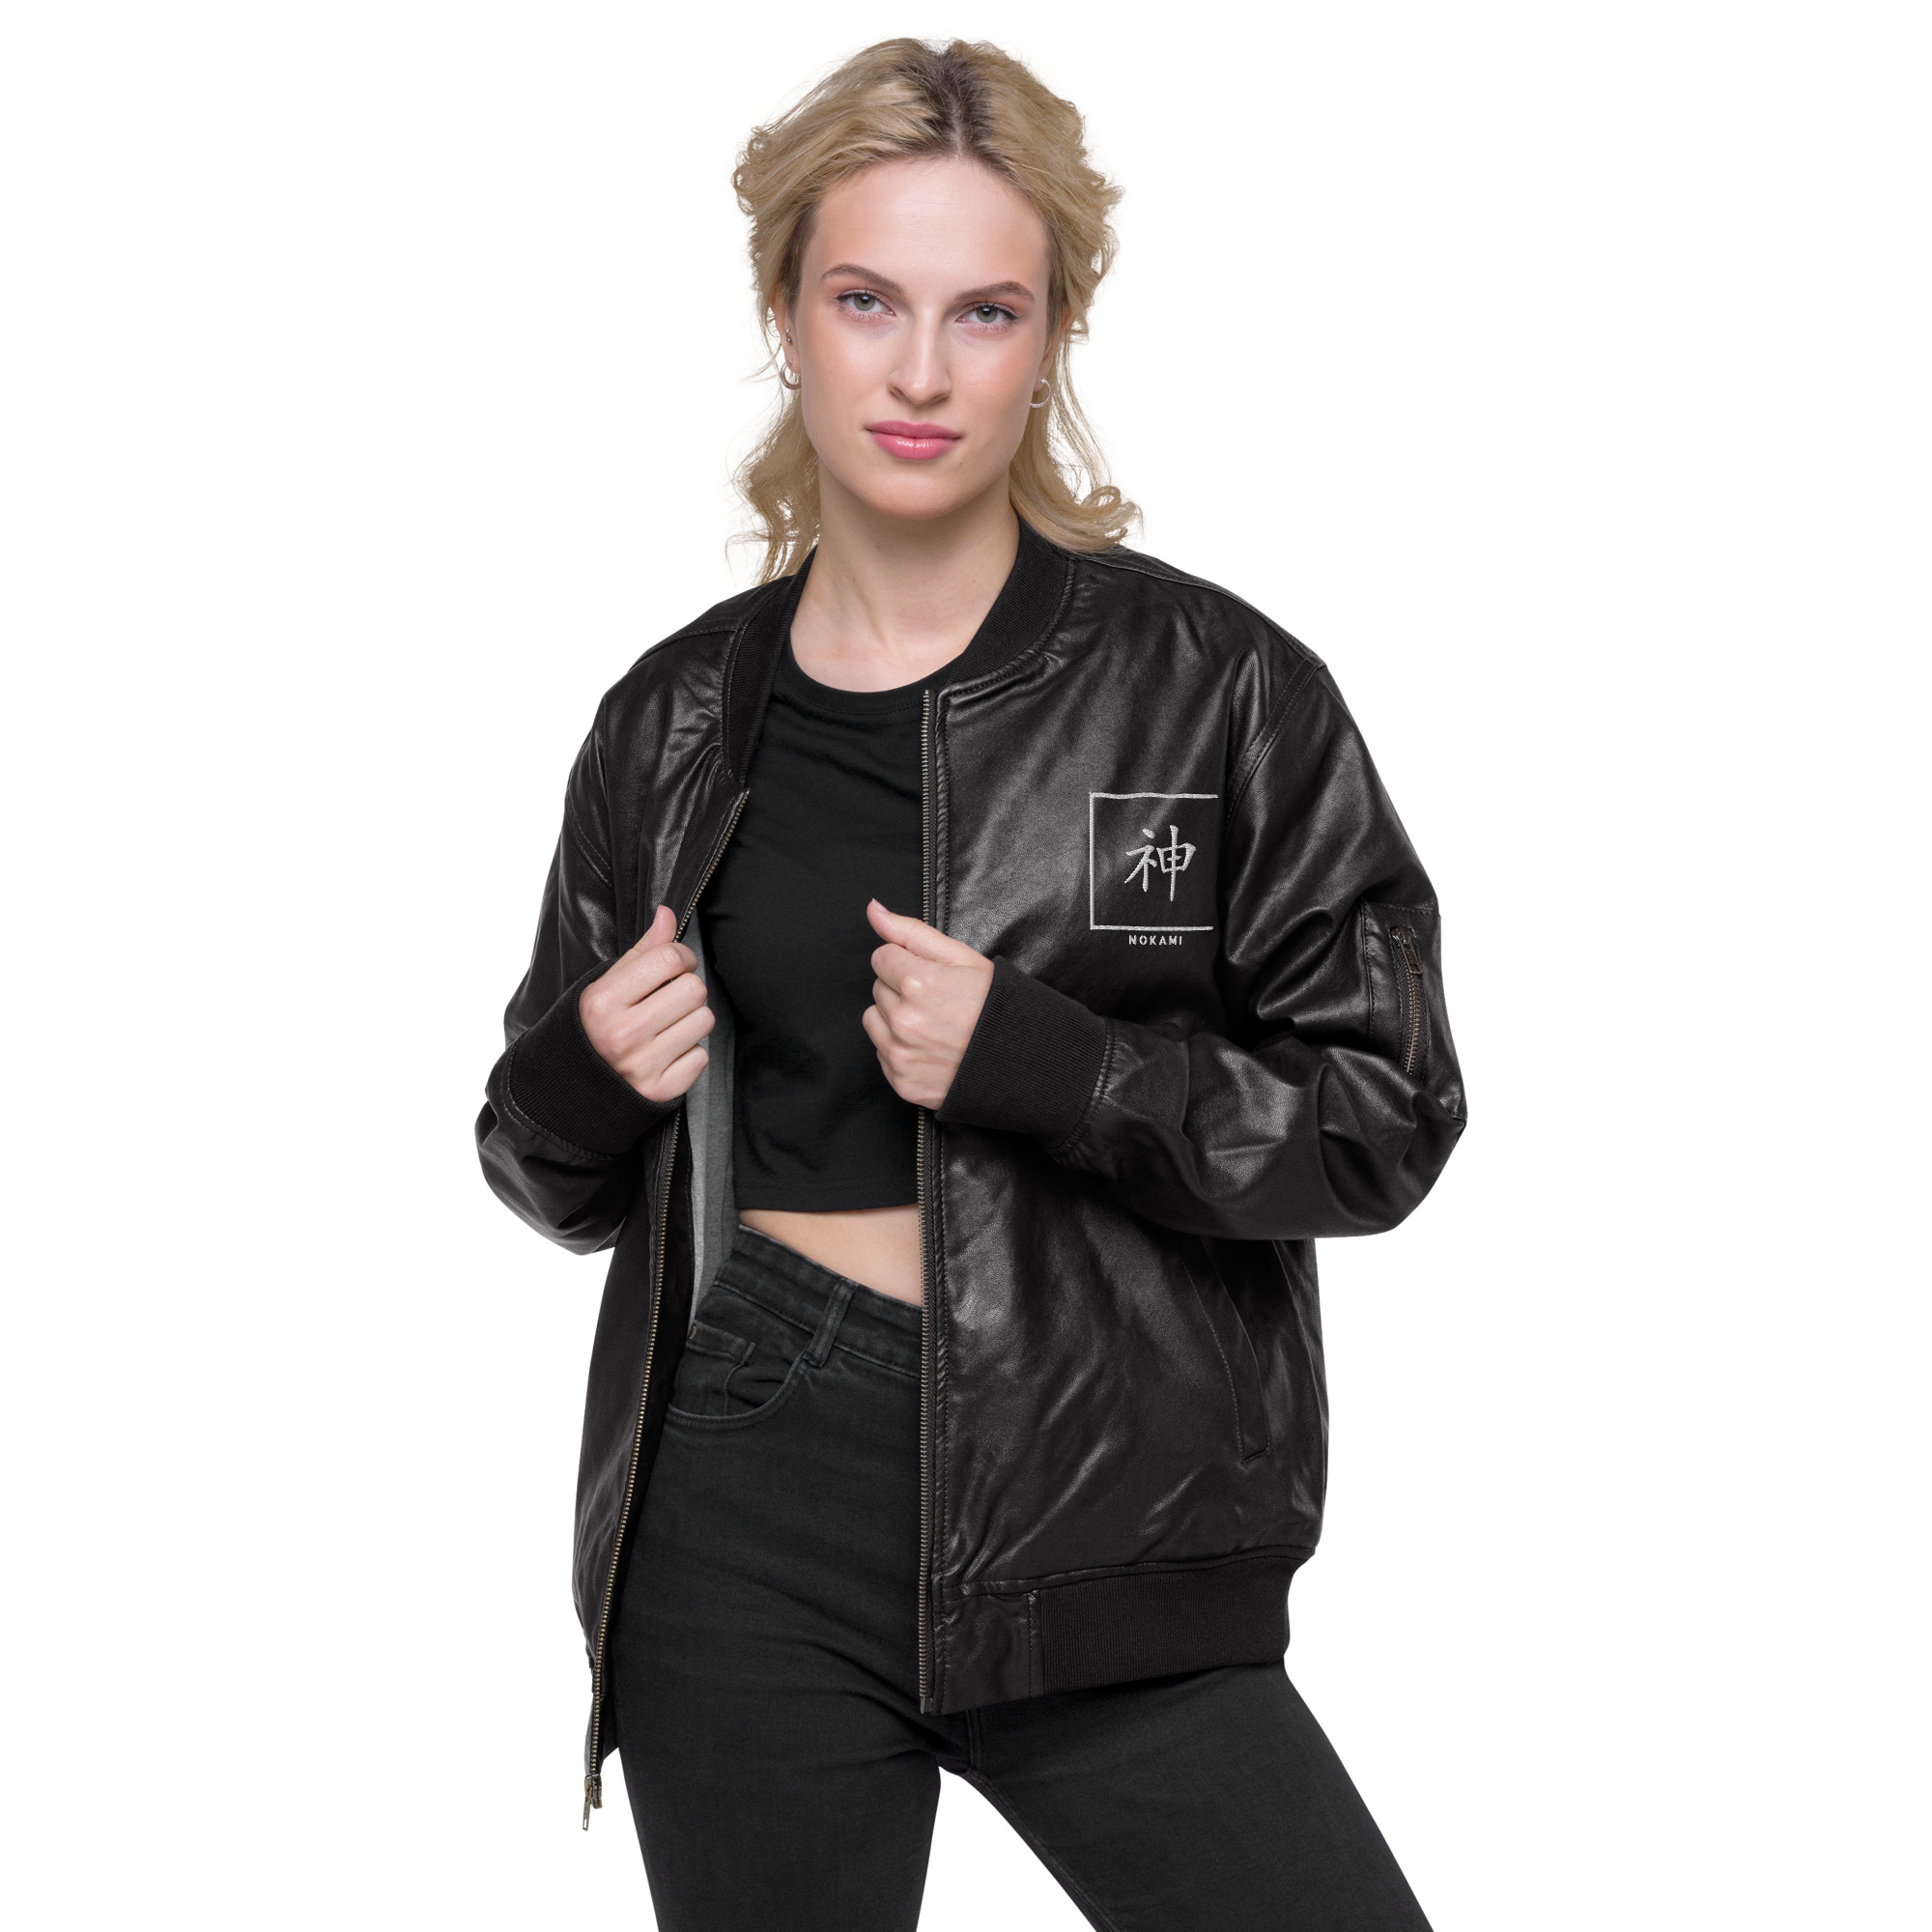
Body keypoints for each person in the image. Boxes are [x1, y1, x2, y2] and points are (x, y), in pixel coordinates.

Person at [476, 36, 1466, 1932]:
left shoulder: (1220, 693)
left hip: (1109, 1501)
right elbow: (549, 1173)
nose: (921, 372)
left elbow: (1388, 1113)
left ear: (1052, 332)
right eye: (867, 301)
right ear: (786, 315)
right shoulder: (671, 721)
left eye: (984, 312)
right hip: (744, 1490)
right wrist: (585, 1077)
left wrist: (1062, 1068)